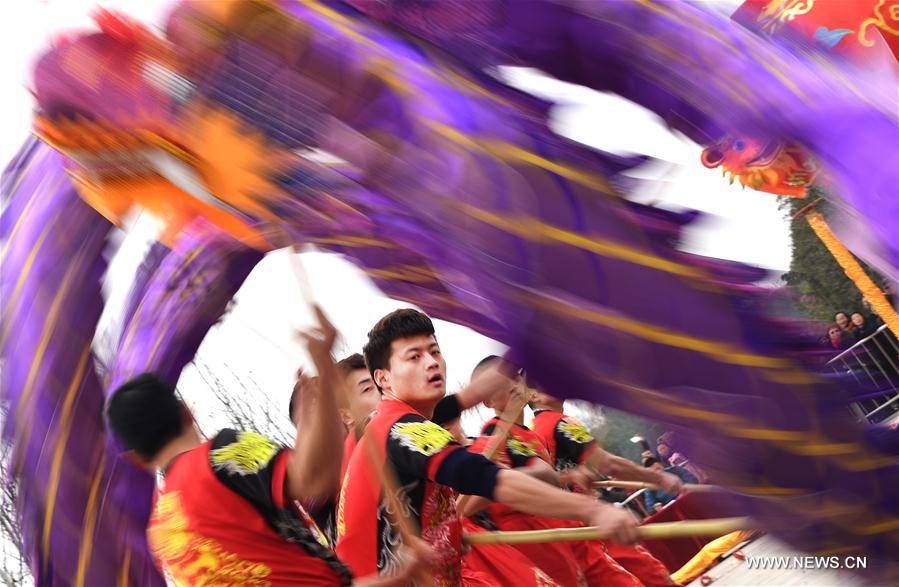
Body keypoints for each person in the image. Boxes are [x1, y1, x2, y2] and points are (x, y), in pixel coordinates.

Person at [106, 306, 425, 586]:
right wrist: (326, 377)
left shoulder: (161, 537)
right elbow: (313, 479)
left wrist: (399, 577)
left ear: (135, 460)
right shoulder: (222, 454)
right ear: (187, 412)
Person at [336, 309, 639, 584]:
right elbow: (491, 479)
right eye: (414, 357)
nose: (431, 363)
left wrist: (527, 345)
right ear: (383, 379)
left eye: (434, 352)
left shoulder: (403, 421)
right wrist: (595, 510)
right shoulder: (401, 429)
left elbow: (472, 394)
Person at [466, 358, 643, 587]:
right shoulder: (496, 432)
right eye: (499, 381)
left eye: (515, 377)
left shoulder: (531, 434)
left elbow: (539, 475)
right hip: (535, 538)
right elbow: (480, 493)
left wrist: (566, 477)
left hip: (562, 527)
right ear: (487, 400)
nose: (513, 383)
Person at [529, 391, 678, 587]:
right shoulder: (560, 422)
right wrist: (657, 476)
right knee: (647, 571)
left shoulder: (532, 431)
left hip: (564, 527)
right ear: (532, 396)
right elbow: (608, 464)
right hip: (586, 519)